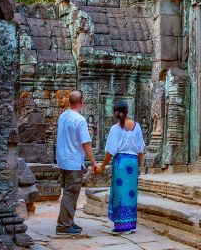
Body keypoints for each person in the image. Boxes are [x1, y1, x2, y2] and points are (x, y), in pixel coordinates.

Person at [96, 100, 145, 233]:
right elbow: (140, 150)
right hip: (133, 163)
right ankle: (130, 224)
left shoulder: (115, 129)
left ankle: (121, 225)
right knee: (131, 193)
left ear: (115, 113)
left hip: (121, 163)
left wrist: (102, 166)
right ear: (127, 111)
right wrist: (138, 166)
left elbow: (111, 151)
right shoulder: (137, 126)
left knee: (120, 194)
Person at [55, 90, 98, 235]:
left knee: (69, 191)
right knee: (71, 193)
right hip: (73, 161)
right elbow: (86, 144)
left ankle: (68, 220)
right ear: (82, 102)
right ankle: (63, 225)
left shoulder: (62, 116)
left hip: (62, 160)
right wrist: (94, 163)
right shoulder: (79, 120)